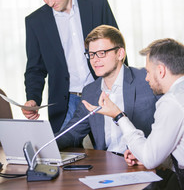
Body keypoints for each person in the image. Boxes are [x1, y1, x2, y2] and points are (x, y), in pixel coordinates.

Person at [22, 0, 122, 133]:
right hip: (65, 101)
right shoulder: (35, 21)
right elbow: (35, 68)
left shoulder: (97, 4)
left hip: (103, 94)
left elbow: (117, 49)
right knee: (63, 155)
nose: (49, 2)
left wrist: (121, 90)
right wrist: (32, 99)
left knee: (110, 152)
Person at [84, 38, 184, 189]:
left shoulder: (170, 102)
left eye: (148, 71)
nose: (146, 77)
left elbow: (151, 159)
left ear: (161, 71)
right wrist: (144, 154)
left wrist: (118, 115)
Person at [56, 25, 158, 156]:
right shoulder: (90, 92)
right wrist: (40, 145)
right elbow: (72, 132)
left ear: (120, 54)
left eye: (102, 53)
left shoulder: (146, 79)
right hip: (105, 164)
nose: (95, 60)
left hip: (143, 161)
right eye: (91, 54)